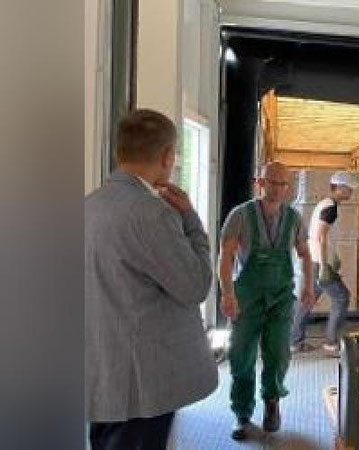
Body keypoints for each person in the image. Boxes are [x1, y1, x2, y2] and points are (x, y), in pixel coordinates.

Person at [85, 109, 218, 450]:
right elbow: (195, 285)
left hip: (101, 365)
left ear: (120, 150)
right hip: (142, 378)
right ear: (167, 156)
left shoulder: (89, 206)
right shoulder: (151, 213)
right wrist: (190, 219)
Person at [217, 161, 314, 440]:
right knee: (242, 355)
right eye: (273, 183)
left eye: (284, 184)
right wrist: (227, 293)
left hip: (281, 298)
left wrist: (309, 286)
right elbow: (226, 256)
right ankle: (242, 413)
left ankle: (272, 401)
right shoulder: (240, 215)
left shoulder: (294, 218)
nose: (279, 189)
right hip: (247, 298)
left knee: (279, 352)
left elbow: (305, 254)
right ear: (260, 183)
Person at [290, 171, 358, 356]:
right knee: (342, 297)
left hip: (315, 260)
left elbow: (322, 236)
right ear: (340, 187)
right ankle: (330, 342)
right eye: (349, 189)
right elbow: (320, 237)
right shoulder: (330, 208)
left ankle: (294, 342)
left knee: (307, 300)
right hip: (319, 262)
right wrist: (324, 267)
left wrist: (332, 258)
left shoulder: (326, 204)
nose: (351, 192)